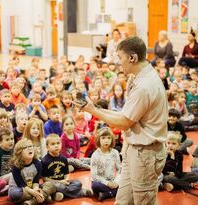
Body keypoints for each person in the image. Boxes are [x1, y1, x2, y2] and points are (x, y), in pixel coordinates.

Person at [74, 36, 168, 204]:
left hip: (145, 154)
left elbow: (124, 122)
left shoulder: (145, 85)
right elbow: (126, 115)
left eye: (120, 57)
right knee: (122, 201)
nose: (118, 62)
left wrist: (93, 110)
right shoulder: (137, 77)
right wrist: (94, 109)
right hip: (133, 150)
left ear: (132, 57)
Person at [8, 139, 60, 204]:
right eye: (25, 147)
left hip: (32, 187)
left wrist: (36, 189)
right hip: (20, 189)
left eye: (30, 146)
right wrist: (34, 193)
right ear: (19, 152)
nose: (29, 149)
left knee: (51, 184)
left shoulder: (38, 163)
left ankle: (32, 202)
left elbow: (36, 181)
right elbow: (21, 184)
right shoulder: (16, 166)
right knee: (15, 194)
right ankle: (45, 196)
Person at [41, 134, 93, 199]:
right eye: (53, 144)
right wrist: (60, 182)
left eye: (58, 143)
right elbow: (45, 179)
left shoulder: (63, 159)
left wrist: (66, 180)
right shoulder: (44, 161)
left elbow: (66, 174)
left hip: (64, 182)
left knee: (78, 183)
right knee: (53, 187)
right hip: (53, 183)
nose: (56, 146)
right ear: (47, 147)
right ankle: (82, 192)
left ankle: (57, 194)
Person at [91, 125, 121, 201]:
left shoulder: (115, 152)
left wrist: (116, 182)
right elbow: (94, 175)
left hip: (113, 181)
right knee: (95, 186)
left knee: (127, 184)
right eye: (103, 138)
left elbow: (119, 169)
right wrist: (107, 183)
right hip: (101, 182)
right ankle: (113, 193)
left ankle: (106, 194)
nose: (106, 140)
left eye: (108, 138)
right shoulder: (95, 155)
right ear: (98, 140)